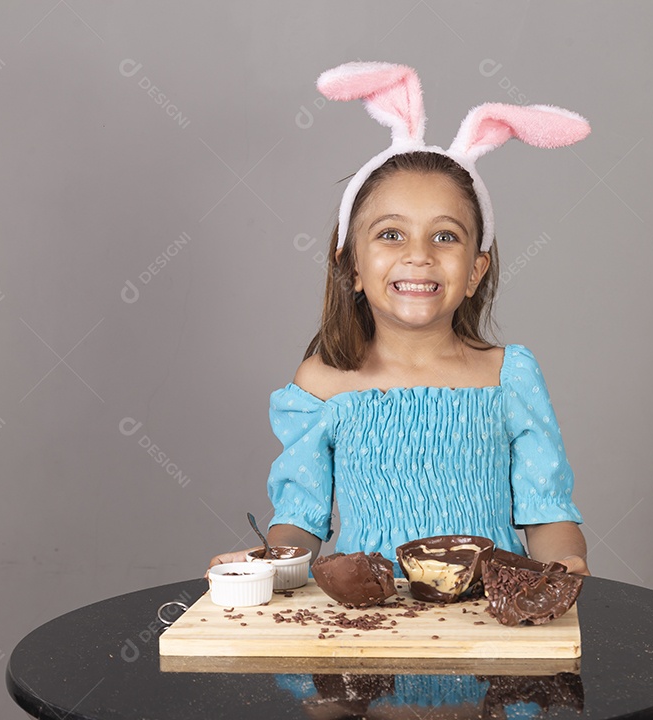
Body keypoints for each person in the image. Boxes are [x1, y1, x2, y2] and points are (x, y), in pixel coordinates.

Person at [208, 61, 591, 578]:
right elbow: (298, 521)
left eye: (445, 236)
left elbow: (548, 513)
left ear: (475, 271)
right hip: (369, 621)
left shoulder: (509, 377)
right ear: (353, 265)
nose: (418, 255)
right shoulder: (322, 385)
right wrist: (269, 563)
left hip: (485, 617)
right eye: (391, 235)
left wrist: (565, 565)